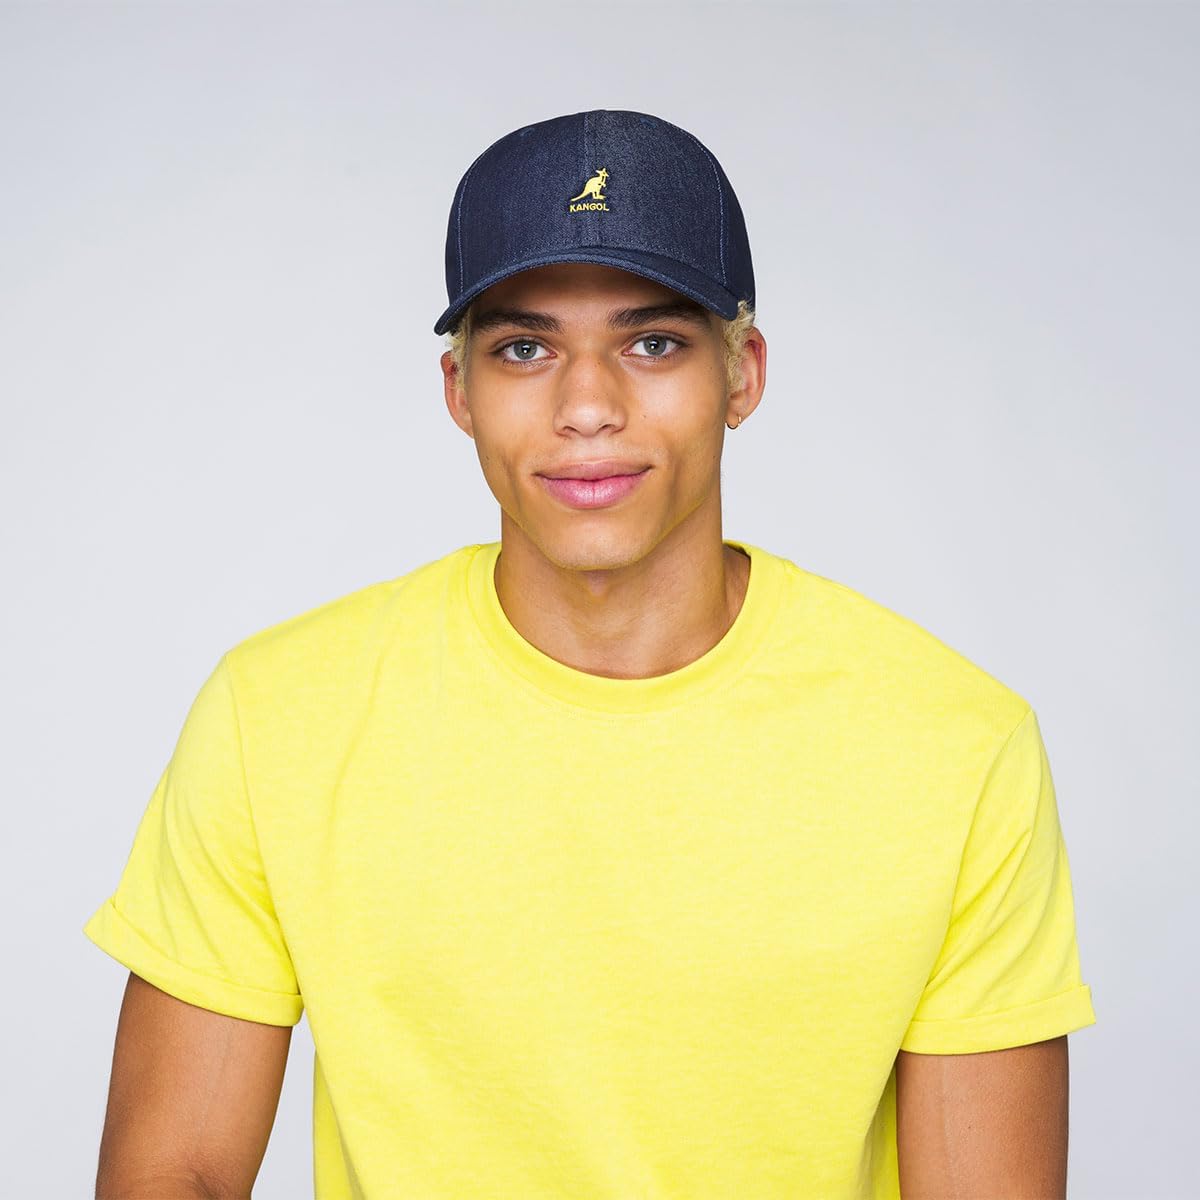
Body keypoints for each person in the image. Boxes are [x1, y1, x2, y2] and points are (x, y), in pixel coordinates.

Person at [83, 109, 1096, 1199]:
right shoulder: (280, 716)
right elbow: (175, 1171)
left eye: (652, 343)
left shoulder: (953, 748)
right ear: (459, 389)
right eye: (525, 349)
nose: (587, 408)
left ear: (743, 375)